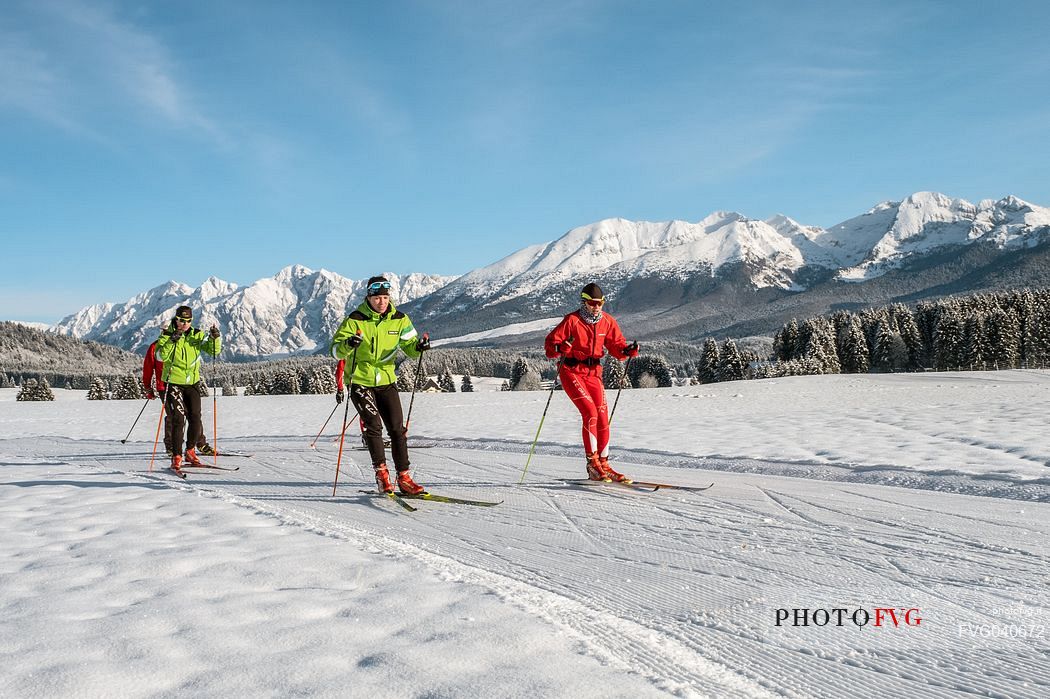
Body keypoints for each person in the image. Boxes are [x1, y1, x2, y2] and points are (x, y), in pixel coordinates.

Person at [330, 276, 429, 494]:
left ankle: (404, 477)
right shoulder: (355, 320)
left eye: (385, 297)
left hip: (386, 380)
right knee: (373, 426)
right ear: (369, 298)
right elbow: (335, 351)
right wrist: (348, 344)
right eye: (377, 298)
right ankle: (382, 475)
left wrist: (420, 347)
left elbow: (411, 348)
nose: (381, 302)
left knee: (397, 429)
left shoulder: (400, 319)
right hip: (360, 381)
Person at [544, 282, 639, 482]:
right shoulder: (572, 321)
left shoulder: (607, 321)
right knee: (590, 412)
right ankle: (593, 464)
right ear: (585, 302)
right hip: (571, 371)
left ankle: (604, 464)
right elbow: (551, 345)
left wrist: (626, 351)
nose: (597, 307)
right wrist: (561, 348)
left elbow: (616, 345)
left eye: (600, 303)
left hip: (594, 372)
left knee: (603, 417)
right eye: (593, 303)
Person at [154, 305, 221, 475]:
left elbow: (214, 351)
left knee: (195, 417)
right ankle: (176, 456)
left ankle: (190, 451)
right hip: (173, 381)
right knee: (178, 418)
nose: (184, 324)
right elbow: (160, 356)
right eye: (181, 320)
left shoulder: (197, 334)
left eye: (188, 321)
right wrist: (171, 340)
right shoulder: (167, 334)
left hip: (192, 382)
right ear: (176, 319)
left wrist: (215, 338)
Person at [143, 340, 216, 457]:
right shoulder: (155, 346)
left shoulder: (184, 341)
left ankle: (200, 443)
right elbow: (148, 367)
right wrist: (148, 387)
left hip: (185, 385)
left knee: (193, 414)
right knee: (174, 416)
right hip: (164, 386)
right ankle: (171, 446)